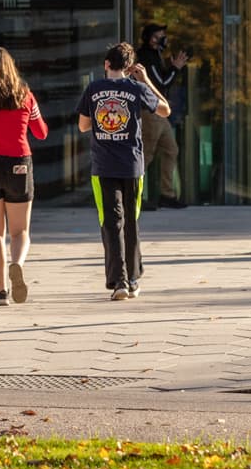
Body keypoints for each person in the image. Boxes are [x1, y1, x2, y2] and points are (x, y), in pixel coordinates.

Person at [78, 42, 167, 299]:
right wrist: (147, 81)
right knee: (131, 220)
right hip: (132, 164)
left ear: (106, 64)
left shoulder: (94, 89)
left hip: (103, 165)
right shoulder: (136, 88)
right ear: (128, 67)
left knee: (111, 222)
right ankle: (133, 278)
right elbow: (165, 110)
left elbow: (83, 126)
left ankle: (118, 282)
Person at [0, 47, 48, 305]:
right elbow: (41, 133)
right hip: (19, 164)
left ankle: (1, 291)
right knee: (20, 230)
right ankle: (18, 263)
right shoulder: (25, 96)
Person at [133, 23, 189, 209]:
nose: (164, 39)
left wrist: (172, 67)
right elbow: (161, 83)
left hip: (159, 113)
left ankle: (167, 193)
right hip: (150, 112)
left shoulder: (156, 55)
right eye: (161, 36)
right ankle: (135, 196)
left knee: (171, 149)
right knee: (146, 154)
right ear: (152, 38)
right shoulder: (147, 57)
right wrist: (176, 68)